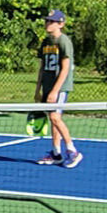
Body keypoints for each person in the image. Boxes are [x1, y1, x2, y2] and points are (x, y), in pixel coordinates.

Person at [34, 9, 82, 169]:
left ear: (61, 24)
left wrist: (55, 91)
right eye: (47, 20)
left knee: (55, 117)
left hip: (60, 87)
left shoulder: (64, 42)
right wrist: (38, 90)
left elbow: (65, 68)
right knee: (53, 118)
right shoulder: (45, 42)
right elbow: (42, 67)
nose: (47, 24)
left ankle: (72, 151)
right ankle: (56, 153)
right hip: (47, 86)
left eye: (51, 21)